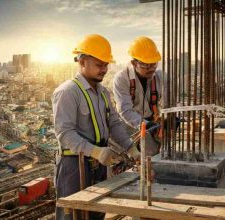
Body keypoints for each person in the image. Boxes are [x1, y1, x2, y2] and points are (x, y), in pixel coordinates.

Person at [52, 34, 140, 220]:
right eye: (99, 64)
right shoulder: (68, 92)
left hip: (99, 164)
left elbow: (114, 124)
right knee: (73, 214)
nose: (104, 69)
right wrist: (96, 151)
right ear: (83, 62)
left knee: (96, 214)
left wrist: (131, 148)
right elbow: (65, 134)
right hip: (74, 165)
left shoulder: (103, 93)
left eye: (106, 64)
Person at [113, 36, 163, 156]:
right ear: (134, 63)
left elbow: (170, 103)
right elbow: (125, 111)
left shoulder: (160, 77)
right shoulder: (122, 79)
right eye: (146, 65)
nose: (151, 69)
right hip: (127, 125)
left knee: (151, 158)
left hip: (150, 123)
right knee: (127, 159)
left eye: (153, 64)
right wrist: (145, 124)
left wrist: (171, 117)